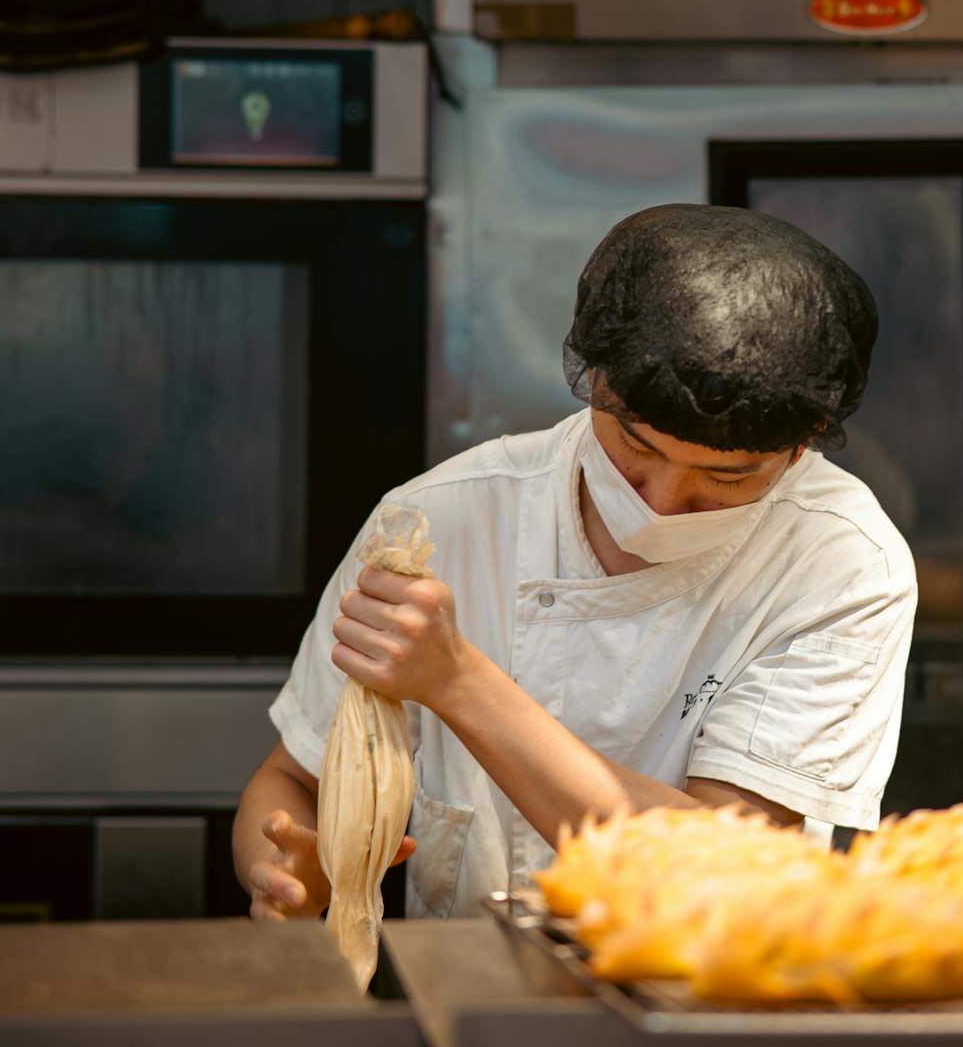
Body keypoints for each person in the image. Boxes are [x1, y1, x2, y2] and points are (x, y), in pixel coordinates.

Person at [233, 204, 917, 920]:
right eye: (639, 449)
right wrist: (284, 868)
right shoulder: (445, 517)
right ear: (595, 384)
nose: (663, 501)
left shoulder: (841, 563)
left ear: (803, 444)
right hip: (465, 1002)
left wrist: (458, 681)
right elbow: (292, 779)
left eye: (728, 477)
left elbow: (725, 864)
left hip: (701, 1008)